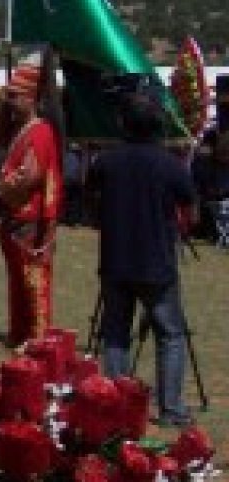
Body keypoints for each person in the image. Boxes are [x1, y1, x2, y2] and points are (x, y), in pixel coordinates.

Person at [86, 91, 197, 427]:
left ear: (124, 123)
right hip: (156, 263)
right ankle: (171, 408)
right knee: (171, 335)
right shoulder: (170, 164)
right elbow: (190, 209)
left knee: (117, 333)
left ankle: (116, 405)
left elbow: (91, 204)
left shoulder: (105, 162)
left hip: (116, 259)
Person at [0, 56, 63, 349]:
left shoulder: (40, 131)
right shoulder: (21, 130)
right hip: (15, 216)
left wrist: (2, 186)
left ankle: (37, 337)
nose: (10, 102)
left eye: (14, 96)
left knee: (33, 281)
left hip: (30, 216)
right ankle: (17, 332)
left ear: (30, 98)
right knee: (16, 281)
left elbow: (31, 176)